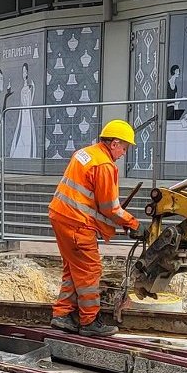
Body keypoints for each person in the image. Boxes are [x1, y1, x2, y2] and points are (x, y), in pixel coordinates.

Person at [48, 119, 141, 337]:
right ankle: (89, 321)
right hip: (76, 224)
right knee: (89, 270)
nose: (124, 153)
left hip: (60, 216)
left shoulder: (86, 153)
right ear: (115, 143)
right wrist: (133, 224)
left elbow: (89, 198)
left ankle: (62, 315)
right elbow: (110, 207)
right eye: (124, 148)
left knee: (73, 267)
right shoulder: (105, 166)